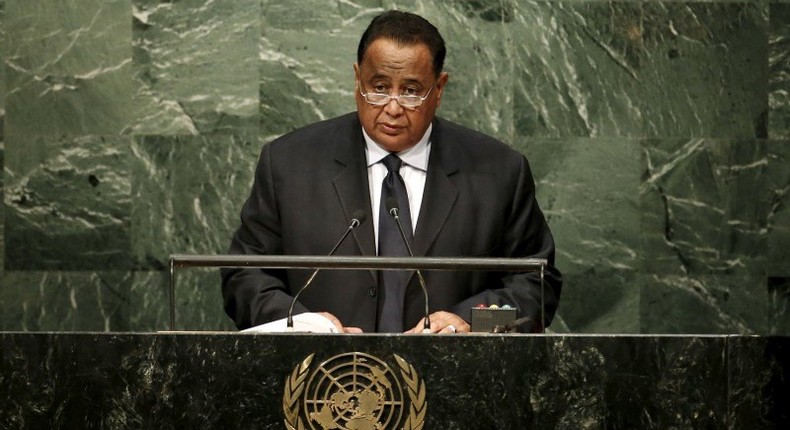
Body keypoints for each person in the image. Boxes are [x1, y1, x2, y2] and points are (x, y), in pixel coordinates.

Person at [221, 10, 561, 333]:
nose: (393, 107)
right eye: (379, 87)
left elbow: (538, 286)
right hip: (323, 380)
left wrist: (471, 322)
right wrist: (301, 324)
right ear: (357, 79)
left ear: (439, 89)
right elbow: (244, 277)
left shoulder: (499, 172)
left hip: (454, 380)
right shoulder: (289, 163)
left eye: (411, 91)